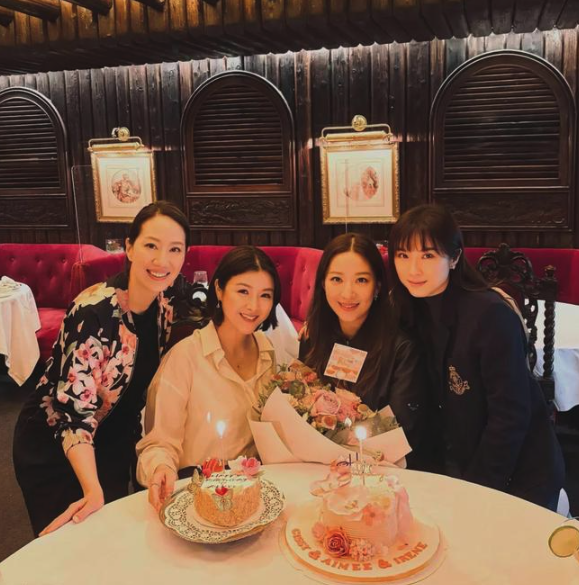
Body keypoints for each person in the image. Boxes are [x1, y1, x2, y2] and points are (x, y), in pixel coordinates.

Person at [13, 201, 191, 536]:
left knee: (113, 542)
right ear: (129, 247)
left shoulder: (163, 306)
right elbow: (72, 414)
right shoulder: (94, 313)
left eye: (174, 249)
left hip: (111, 442)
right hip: (56, 447)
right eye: (151, 246)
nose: (162, 260)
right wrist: (92, 489)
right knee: (69, 546)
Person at [388, 204, 565, 509]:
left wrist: (476, 493)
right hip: (451, 460)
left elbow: (509, 417)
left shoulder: (489, 315)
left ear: (455, 257)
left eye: (428, 256)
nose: (413, 269)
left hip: (515, 471)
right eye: (403, 255)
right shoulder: (407, 308)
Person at [136, 246, 280, 512]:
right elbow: (159, 443)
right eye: (243, 291)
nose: (254, 306)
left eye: (265, 295)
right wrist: (161, 468)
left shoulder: (268, 353)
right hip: (196, 500)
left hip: (251, 498)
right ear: (219, 290)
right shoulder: (185, 358)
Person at [299, 233, 429, 468]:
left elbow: (404, 429)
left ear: (377, 286)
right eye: (337, 279)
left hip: (384, 471)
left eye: (361, 280)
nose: (347, 293)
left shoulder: (402, 348)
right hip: (320, 468)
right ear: (323, 283)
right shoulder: (314, 338)